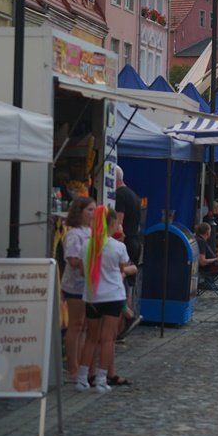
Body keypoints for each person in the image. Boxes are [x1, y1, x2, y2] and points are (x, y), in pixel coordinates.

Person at [77, 207, 137, 393]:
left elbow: (82, 271)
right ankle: (102, 379)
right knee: (108, 339)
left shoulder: (87, 245)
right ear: (112, 224)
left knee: (91, 338)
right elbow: (122, 268)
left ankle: (82, 378)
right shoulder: (118, 247)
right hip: (113, 296)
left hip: (92, 296)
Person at [62, 196, 94, 381]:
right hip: (75, 285)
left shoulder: (91, 232)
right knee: (76, 324)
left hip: (88, 284)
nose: (92, 213)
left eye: (94, 210)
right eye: (89, 210)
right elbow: (72, 260)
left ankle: (81, 365)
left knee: (84, 326)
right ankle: (72, 367)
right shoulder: (74, 234)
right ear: (79, 212)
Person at [114, 165, 142, 310]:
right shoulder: (133, 195)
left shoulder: (119, 195)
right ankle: (128, 315)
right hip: (135, 240)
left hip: (125, 242)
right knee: (129, 285)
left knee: (122, 284)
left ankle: (124, 315)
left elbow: (119, 223)